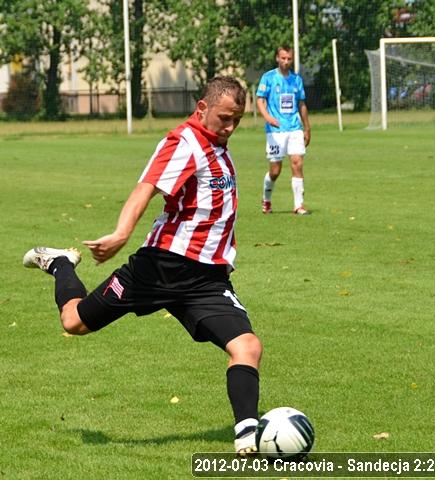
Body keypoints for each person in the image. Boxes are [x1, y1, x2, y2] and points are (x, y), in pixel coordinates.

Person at [22, 76, 262, 456]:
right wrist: (120, 233)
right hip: (160, 267)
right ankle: (60, 264)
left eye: (237, 120)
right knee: (75, 322)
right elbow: (146, 187)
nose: (231, 127)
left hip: (207, 280)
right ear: (202, 108)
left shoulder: (221, 150)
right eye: (225, 118)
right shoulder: (183, 142)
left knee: (247, 346)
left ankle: (248, 437)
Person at [256, 45, 311, 215]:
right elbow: (260, 100)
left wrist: (307, 127)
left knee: (297, 163)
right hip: (276, 130)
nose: (286, 61)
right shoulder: (269, 78)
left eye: (289, 59)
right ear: (277, 58)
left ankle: (298, 205)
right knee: (275, 170)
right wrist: (268, 117)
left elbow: (301, 104)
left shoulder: (296, 80)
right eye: (283, 58)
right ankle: (266, 199)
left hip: (294, 127)